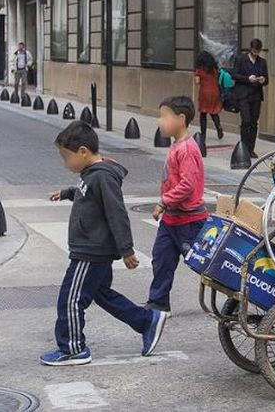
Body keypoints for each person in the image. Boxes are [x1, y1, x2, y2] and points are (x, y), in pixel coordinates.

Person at [41, 121, 168, 366]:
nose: (65, 163)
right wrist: (67, 192)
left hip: (91, 251)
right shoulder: (91, 174)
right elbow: (86, 192)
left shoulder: (103, 177)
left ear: (83, 152)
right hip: (91, 248)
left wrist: (127, 250)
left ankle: (73, 348)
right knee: (102, 294)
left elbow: (116, 213)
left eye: (66, 157)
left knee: (70, 299)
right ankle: (146, 321)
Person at [147, 96, 208, 313]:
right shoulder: (177, 146)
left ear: (180, 119)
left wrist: (164, 201)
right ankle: (158, 303)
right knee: (161, 260)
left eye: (164, 116)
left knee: (205, 265)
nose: (159, 121)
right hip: (171, 219)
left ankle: (239, 293)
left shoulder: (188, 149)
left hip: (189, 221)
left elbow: (188, 185)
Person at [231, 38, 268, 158]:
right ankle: (244, 147)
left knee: (253, 123)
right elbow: (235, 75)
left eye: (258, 51)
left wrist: (263, 80)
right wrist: (248, 78)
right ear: (251, 49)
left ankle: (251, 148)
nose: (256, 53)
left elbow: (267, 80)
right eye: (254, 51)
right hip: (243, 95)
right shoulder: (241, 59)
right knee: (246, 121)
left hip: (256, 95)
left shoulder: (262, 62)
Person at [194, 51, 225, 141]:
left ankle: (203, 134)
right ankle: (218, 127)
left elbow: (197, 82)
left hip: (204, 92)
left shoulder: (199, 70)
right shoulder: (214, 69)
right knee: (214, 111)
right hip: (215, 92)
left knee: (203, 113)